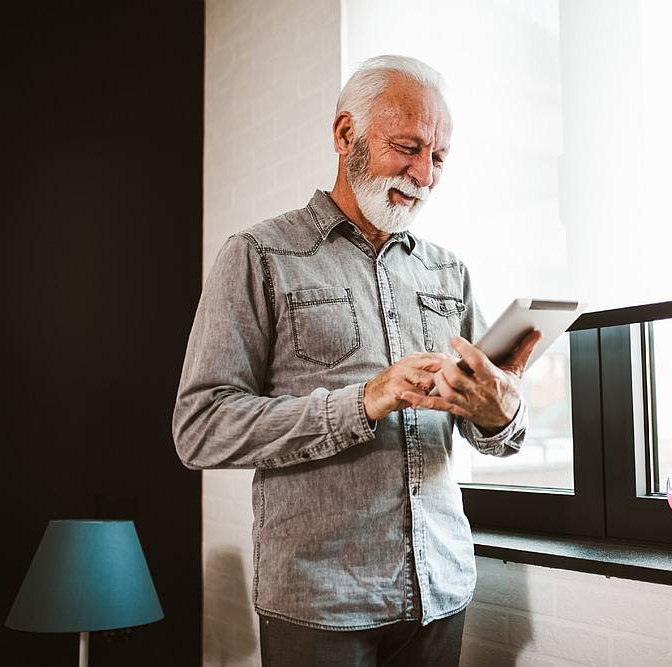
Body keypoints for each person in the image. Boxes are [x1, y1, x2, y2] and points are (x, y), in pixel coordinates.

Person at [172, 55, 541, 666]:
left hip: (440, 591)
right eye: (407, 147)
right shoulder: (259, 255)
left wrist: (501, 413)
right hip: (320, 606)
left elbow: (496, 442)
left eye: (439, 158)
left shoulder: (450, 272)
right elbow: (200, 429)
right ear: (346, 136)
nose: (424, 174)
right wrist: (364, 401)